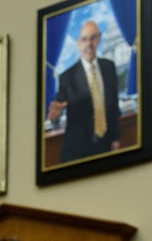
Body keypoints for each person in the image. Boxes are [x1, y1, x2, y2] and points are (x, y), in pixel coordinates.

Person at [47, 20, 121, 164]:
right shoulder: (67, 77)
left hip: (106, 147)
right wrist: (55, 116)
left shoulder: (109, 68)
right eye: (84, 39)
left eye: (93, 38)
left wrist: (116, 139)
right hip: (78, 152)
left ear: (99, 38)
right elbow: (57, 112)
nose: (89, 44)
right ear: (78, 43)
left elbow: (114, 108)